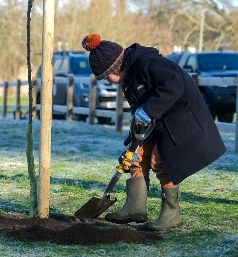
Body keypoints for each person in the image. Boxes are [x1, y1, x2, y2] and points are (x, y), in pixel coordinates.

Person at [81, 34, 226, 231]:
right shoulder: (129, 80)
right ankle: (135, 208)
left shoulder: (148, 63)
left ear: (116, 66)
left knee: (161, 160)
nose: (110, 82)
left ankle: (171, 215)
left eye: (108, 77)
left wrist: (148, 110)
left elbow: (174, 84)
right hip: (159, 120)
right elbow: (138, 115)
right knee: (136, 156)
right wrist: (131, 145)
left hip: (181, 119)